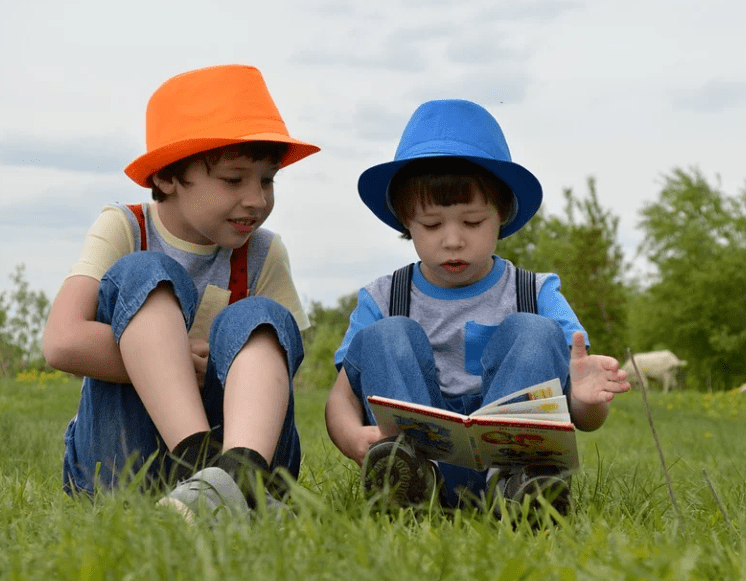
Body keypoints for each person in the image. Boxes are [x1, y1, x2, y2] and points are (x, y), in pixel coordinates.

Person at [324, 99, 630, 515]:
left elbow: (584, 416)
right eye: (431, 225)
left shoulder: (535, 292)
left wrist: (588, 401)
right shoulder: (382, 297)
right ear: (405, 222)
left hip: (512, 458)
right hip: (420, 456)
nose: (452, 241)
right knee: (387, 335)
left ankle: (519, 491)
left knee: (536, 331)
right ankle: (408, 487)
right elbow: (341, 398)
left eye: (472, 223)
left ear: (502, 214)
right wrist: (351, 437)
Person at [43, 64, 320, 519]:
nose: (256, 199)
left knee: (260, 317)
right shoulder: (126, 227)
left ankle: (240, 475)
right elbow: (62, 342)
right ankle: (204, 468)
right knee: (144, 272)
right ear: (168, 177)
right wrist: (168, 360)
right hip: (125, 461)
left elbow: (279, 362)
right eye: (234, 180)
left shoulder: (265, 252)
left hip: (242, 444)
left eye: (268, 180)